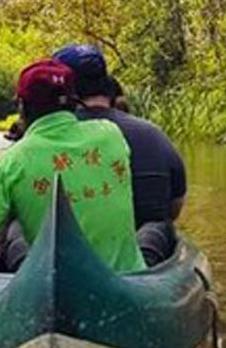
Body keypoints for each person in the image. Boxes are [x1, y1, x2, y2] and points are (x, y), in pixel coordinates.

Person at [0, 60, 143, 300]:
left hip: (58, 295)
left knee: (10, 236)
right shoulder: (111, 134)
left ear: (22, 106)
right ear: (73, 102)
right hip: (126, 289)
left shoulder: (8, 165)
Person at [53, 44, 186, 266]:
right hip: (144, 253)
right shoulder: (153, 134)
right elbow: (175, 207)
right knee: (159, 226)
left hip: (65, 255)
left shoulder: (44, 139)